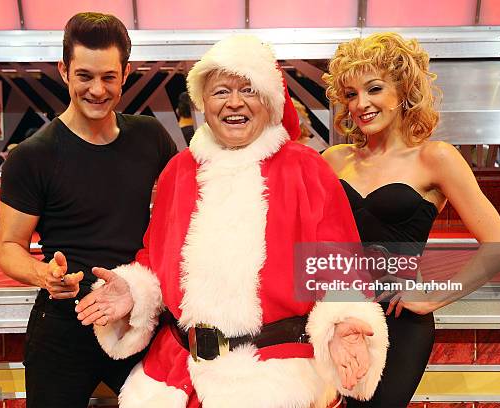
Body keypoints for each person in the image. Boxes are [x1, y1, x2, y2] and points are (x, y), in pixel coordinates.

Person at [75, 35, 389, 407]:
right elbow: (155, 257)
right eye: (221, 91)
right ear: (203, 103)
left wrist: (343, 322)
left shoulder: (305, 168)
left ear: (269, 101)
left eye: (249, 89)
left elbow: (340, 265)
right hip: (177, 374)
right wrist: (134, 291)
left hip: (275, 377)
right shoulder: (179, 171)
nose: (235, 102)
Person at [322, 32, 500, 407]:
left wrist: (432, 297)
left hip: (399, 323)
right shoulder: (333, 159)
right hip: (336, 315)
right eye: (350, 94)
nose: (361, 104)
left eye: (374, 89)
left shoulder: (435, 158)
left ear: (403, 90)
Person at [0, 12, 177, 408]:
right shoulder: (32, 156)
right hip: (63, 325)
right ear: (64, 71)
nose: (97, 89)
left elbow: (182, 215)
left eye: (109, 77)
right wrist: (44, 274)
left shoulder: (152, 138)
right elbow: (8, 246)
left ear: (125, 73)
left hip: (136, 318)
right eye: (85, 76)